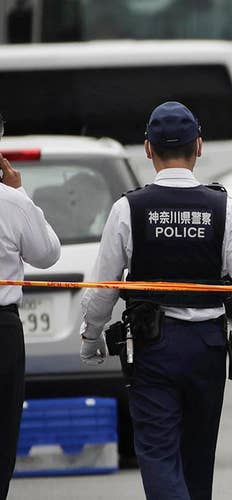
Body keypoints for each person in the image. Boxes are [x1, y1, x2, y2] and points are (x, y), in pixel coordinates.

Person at [79, 102, 232, 500]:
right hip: (208, 347)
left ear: (147, 148)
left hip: (153, 348)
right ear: (200, 146)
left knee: (158, 454)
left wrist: (91, 337)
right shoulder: (224, 208)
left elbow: (103, 286)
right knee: (197, 458)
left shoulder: (129, 209)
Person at [0, 120, 61, 500]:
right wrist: (21, 194)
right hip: (2, 330)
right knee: (2, 434)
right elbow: (47, 254)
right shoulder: (10, 201)